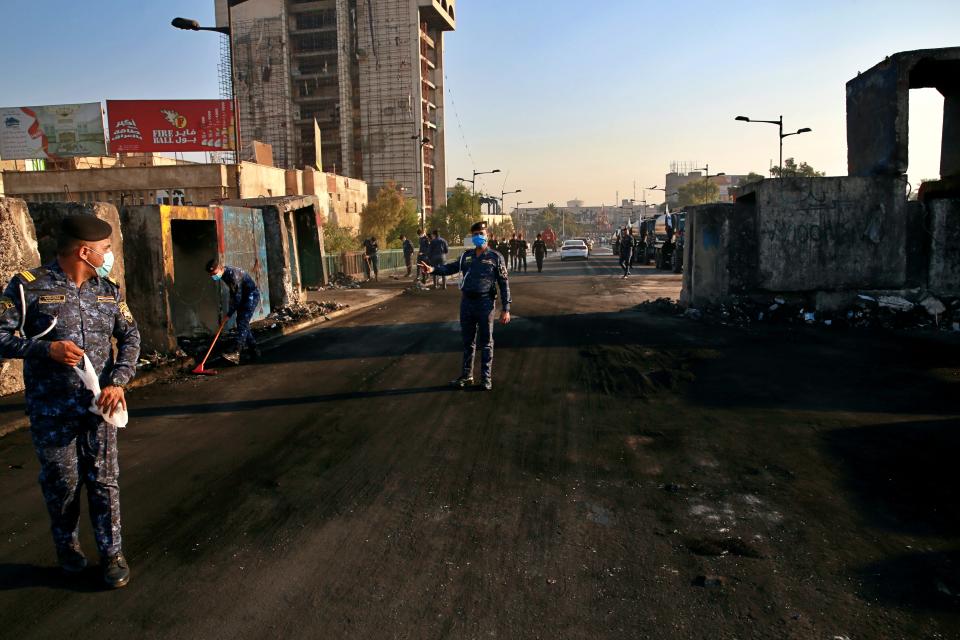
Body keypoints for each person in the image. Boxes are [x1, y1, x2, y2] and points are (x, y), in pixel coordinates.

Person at [0, 215, 140, 589]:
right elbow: (1, 336)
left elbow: (131, 338)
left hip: (100, 407)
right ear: (85, 251)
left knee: (104, 482)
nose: (108, 255)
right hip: (51, 408)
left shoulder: (108, 291)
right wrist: (45, 349)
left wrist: (119, 382)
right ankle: (68, 548)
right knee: (62, 483)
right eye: (106, 250)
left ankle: (112, 555)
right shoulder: (27, 287)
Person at [418, 221, 511, 391]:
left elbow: (504, 284)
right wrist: (432, 270)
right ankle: (467, 376)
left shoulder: (495, 258)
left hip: (485, 303)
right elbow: (450, 268)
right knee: (468, 342)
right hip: (467, 302)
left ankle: (486, 378)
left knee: (486, 342)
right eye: (474, 234)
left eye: (481, 233)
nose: (478, 237)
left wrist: (506, 308)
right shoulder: (466, 256)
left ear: (487, 235)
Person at [205, 259, 262, 363]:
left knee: (242, 323)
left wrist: (229, 314)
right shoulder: (224, 275)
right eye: (211, 275)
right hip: (243, 297)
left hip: (251, 296)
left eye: (214, 273)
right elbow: (234, 293)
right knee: (242, 323)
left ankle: (236, 352)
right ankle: (254, 349)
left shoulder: (233, 275)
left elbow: (237, 297)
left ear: (219, 268)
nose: (213, 276)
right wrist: (230, 312)